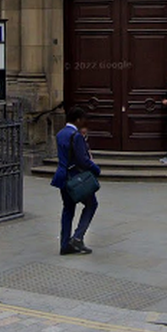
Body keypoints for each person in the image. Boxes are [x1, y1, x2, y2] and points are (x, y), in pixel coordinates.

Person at [51, 107, 101, 255]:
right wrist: (96, 169)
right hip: (75, 179)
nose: (84, 123)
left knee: (68, 209)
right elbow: (83, 160)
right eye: (83, 120)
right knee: (92, 204)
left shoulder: (60, 133)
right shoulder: (76, 135)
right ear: (77, 120)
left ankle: (65, 244)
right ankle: (78, 237)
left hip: (62, 177)